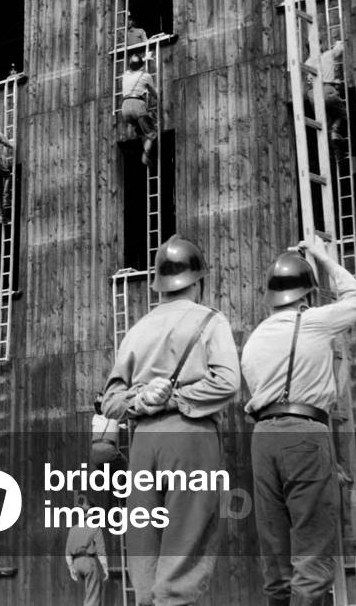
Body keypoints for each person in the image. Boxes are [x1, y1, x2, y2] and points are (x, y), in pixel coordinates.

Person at [102, 235, 240, 606]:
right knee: (187, 538)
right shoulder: (210, 320)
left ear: (159, 285)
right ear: (198, 282)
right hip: (190, 437)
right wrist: (176, 398)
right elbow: (228, 382)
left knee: (144, 539)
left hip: (144, 443)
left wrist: (143, 400)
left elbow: (109, 402)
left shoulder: (136, 331)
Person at [241, 238, 356, 606]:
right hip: (304, 433)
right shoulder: (311, 321)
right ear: (307, 295)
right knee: (312, 553)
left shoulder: (255, 339)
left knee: (276, 555)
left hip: (263, 439)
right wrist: (323, 256)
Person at [65, 495, 108, 606]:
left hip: (76, 563)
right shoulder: (95, 528)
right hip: (88, 562)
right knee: (93, 596)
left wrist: (71, 568)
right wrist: (105, 568)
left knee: (88, 593)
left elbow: (68, 553)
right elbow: (101, 551)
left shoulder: (73, 529)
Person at [306, 40, 347, 156]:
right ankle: (335, 131)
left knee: (325, 126)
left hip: (313, 96)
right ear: (319, 45)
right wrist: (338, 43)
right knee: (343, 114)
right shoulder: (328, 55)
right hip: (326, 90)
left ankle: (336, 151)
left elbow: (309, 81)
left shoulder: (307, 63)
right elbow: (340, 49)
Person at [121, 53, 158, 166]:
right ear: (142, 65)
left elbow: (134, 68)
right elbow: (154, 93)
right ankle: (145, 155)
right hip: (137, 105)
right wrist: (158, 98)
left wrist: (144, 59)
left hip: (125, 108)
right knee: (152, 134)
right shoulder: (146, 76)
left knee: (142, 132)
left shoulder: (125, 75)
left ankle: (145, 149)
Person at [89, 392, 125, 468]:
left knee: (106, 471)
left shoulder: (95, 418)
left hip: (94, 455)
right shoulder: (114, 416)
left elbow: (105, 423)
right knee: (125, 464)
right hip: (108, 452)